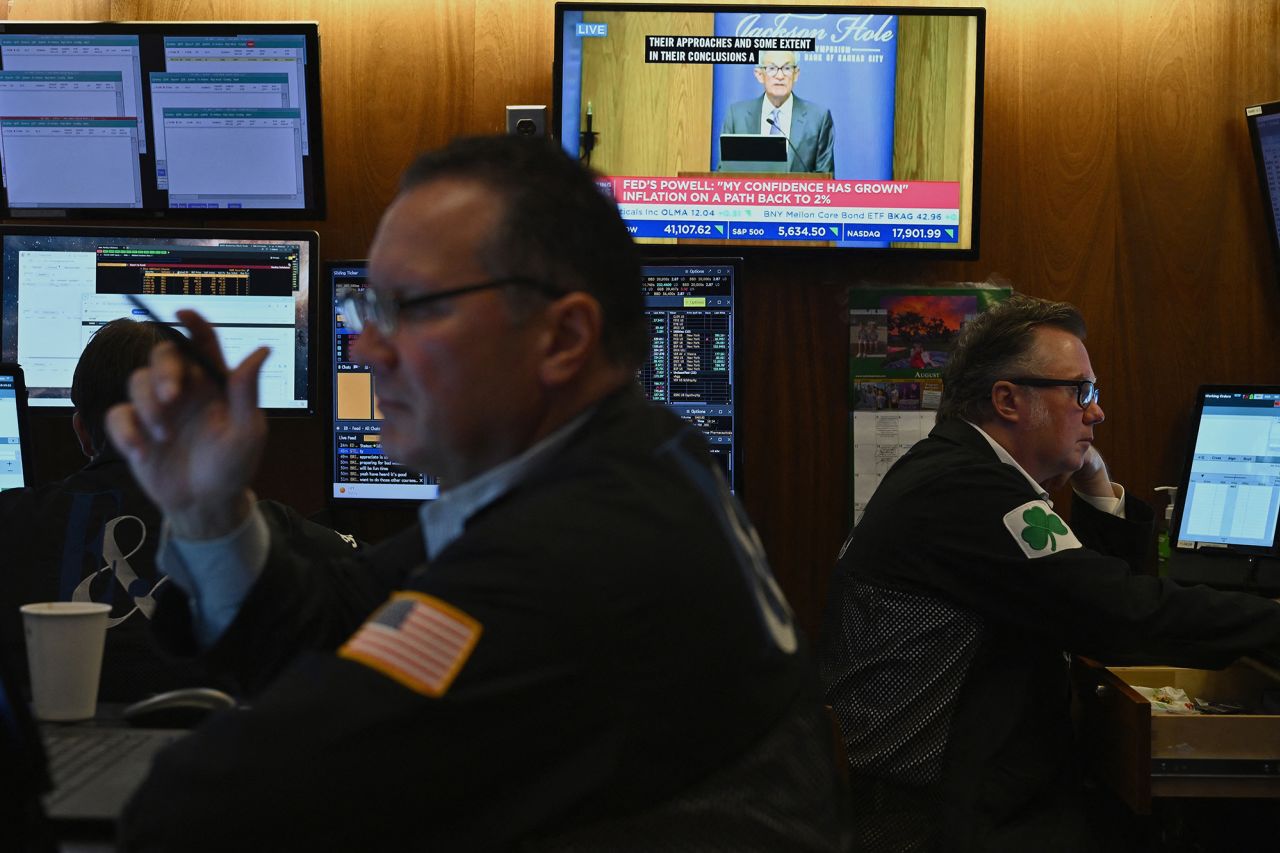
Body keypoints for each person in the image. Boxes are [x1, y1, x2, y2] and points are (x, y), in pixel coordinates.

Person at [108, 136, 849, 852]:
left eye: (415, 305)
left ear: (564, 338)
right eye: (371, 306)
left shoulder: (579, 552)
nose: (366, 347)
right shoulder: (639, 453)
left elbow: (204, 809)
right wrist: (210, 510)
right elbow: (341, 616)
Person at [818, 294, 1280, 851]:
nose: (1097, 412)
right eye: (1079, 391)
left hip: (962, 789)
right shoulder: (967, 491)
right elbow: (1118, 615)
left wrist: (1094, 482)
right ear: (1009, 400)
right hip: (937, 817)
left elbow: (1094, 596)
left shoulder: (957, 470)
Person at [0, 319, 220, 701]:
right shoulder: (267, 536)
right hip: (212, 753)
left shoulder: (11, 524)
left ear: (82, 432)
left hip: (57, 756)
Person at [721, 50, 835, 174]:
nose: (780, 76)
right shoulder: (737, 115)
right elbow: (726, 173)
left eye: (787, 68)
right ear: (759, 74)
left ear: (796, 74)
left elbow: (825, 179)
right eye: (772, 68)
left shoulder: (818, 118)